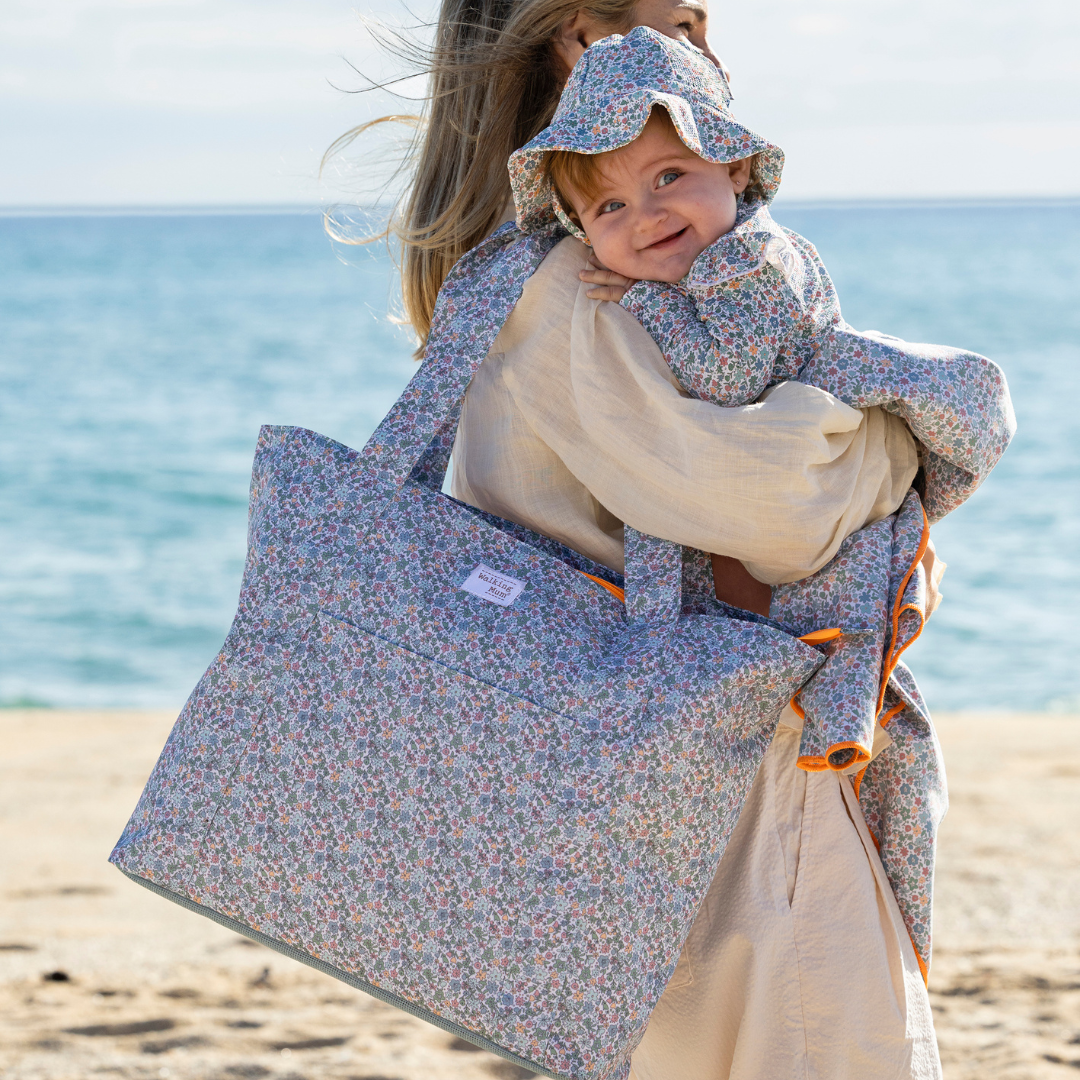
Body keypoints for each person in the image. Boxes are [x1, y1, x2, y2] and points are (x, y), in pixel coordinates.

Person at [333, 1, 1012, 1076]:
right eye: (675, 24)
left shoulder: (628, 275)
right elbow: (785, 511)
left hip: (649, 797)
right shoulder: (560, 288)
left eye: (697, 23)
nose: (707, 52)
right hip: (725, 793)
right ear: (574, 41)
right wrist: (894, 446)